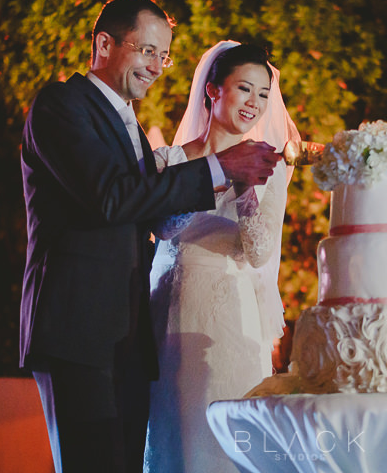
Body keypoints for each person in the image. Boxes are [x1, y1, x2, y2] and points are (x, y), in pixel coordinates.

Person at [19, 0, 281, 473]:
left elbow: (145, 211)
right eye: (147, 52)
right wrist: (219, 167)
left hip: (127, 335)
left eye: (164, 56)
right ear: (104, 43)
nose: (157, 67)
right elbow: (111, 197)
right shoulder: (60, 105)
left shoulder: (132, 127)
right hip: (76, 328)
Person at [144, 41, 300, 472]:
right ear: (212, 90)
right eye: (244, 89)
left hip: (232, 313)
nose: (255, 103)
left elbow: (259, 250)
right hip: (168, 310)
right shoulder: (167, 160)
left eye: (264, 94)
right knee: (175, 435)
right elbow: (165, 228)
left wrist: (246, 183)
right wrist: (216, 172)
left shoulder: (273, 168)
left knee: (227, 441)